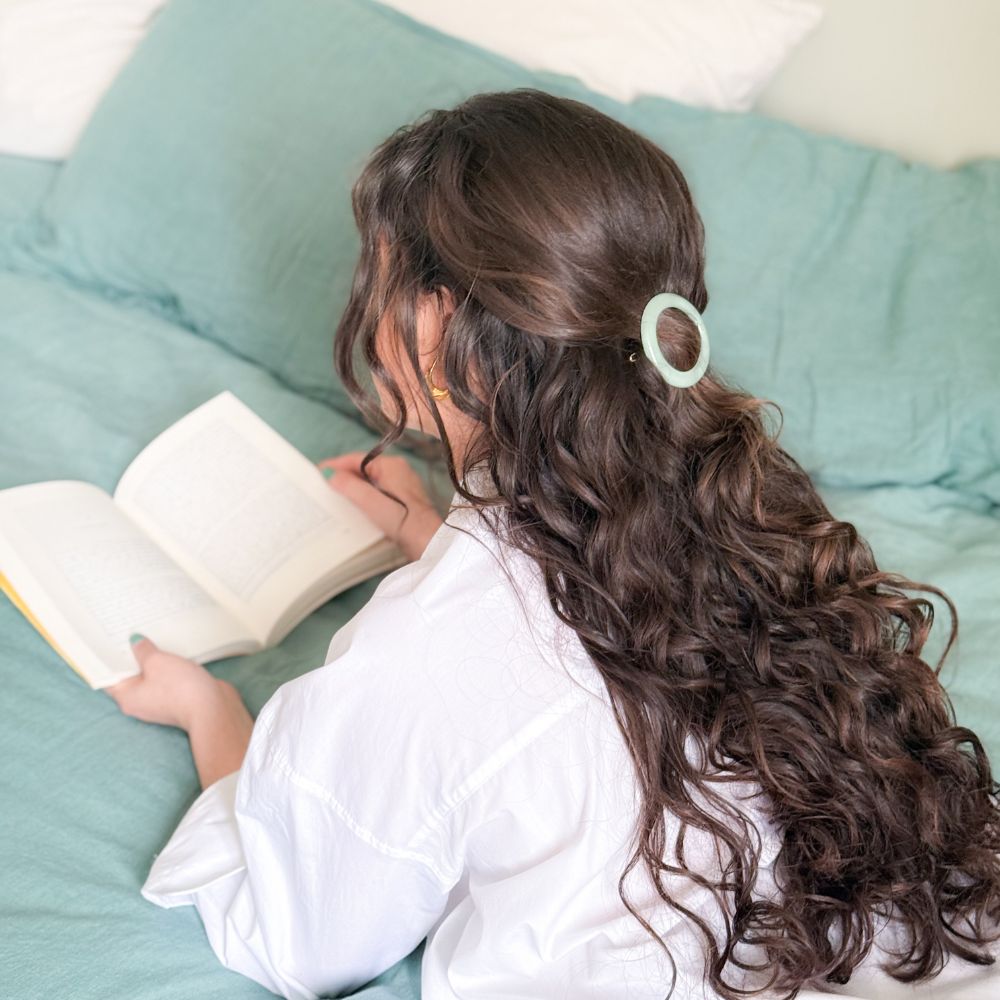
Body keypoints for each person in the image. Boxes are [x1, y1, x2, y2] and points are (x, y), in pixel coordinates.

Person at [105, 89, 1000, 1000]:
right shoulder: (747, 498)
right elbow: (595, 647)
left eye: (378, 280)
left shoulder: (419, 657)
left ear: (439, 323)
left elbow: (298, 937)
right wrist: (431, 538)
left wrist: (209, 710)